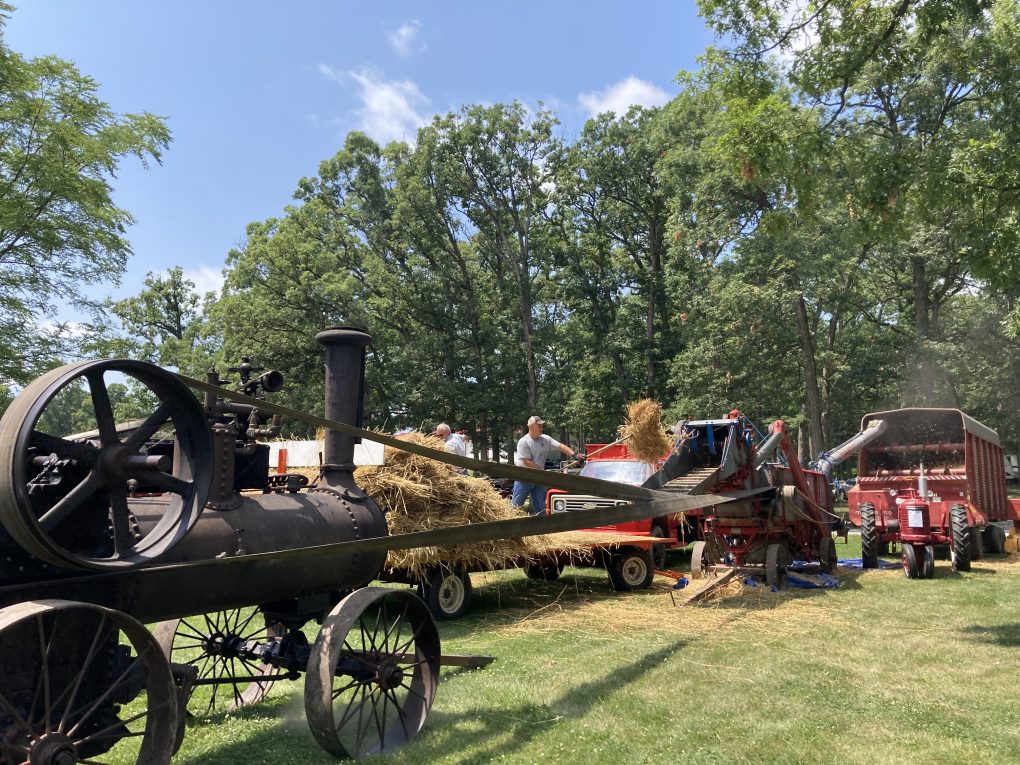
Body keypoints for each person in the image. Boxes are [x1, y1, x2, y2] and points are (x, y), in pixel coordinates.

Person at [512, 415, 575, 515]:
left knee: (541, 507)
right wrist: (541, 470)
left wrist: (574, 454)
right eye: (539, 426)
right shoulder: (523, 442)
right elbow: (526, 462)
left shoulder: (545, 439)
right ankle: (509, 527)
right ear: (531, 427)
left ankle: (540, 528)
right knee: (516, 506)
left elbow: (560, 446)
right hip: (523, 478)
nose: (542, 428)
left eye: (542, 426)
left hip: (539, 478)